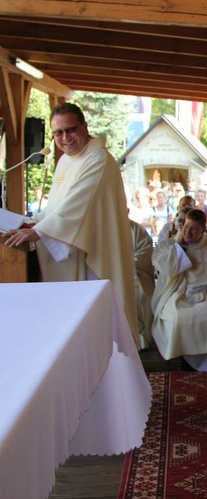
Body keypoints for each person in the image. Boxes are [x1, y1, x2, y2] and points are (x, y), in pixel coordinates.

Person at [3, 102, 139, 346]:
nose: (65, 138)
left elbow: (77, 206)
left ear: (85, 127)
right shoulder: (66, 160)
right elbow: (58, 208)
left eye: (70, 129)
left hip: (93, 258)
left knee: (95, 336)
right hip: (72, 249)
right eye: (58, 133)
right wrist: (32, 223)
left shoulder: (98, 159)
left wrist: (38, 232)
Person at [151, 208, 207, 371]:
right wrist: (178, 248)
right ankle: (179, 353)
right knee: (177, 316)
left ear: (203, 230)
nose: (188, 232)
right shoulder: (169, 246)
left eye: (194, 229)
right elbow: (164, 269)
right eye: (186, 227)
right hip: (178, 295)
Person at [129, 218, 155, 348]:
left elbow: (147, 250)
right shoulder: (103, 227)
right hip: (108, 276)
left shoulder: (137, 229)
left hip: (136, 273)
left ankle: (141, 340)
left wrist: (128, 263)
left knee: (143, 295)